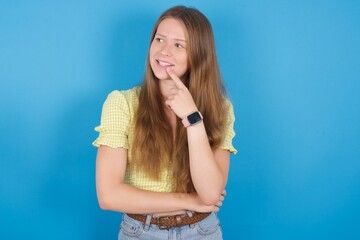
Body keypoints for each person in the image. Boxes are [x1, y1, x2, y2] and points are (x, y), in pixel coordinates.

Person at [93, 5, 237, 239]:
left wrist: (193, 119)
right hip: (140, 232)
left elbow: (210, 194)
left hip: (202, 231)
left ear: (199, 55)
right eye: (159, 40)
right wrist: (189, 200)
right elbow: (109, 195)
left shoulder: (220, 109)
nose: (164, 51)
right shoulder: (122, 103)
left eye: (178, 45)